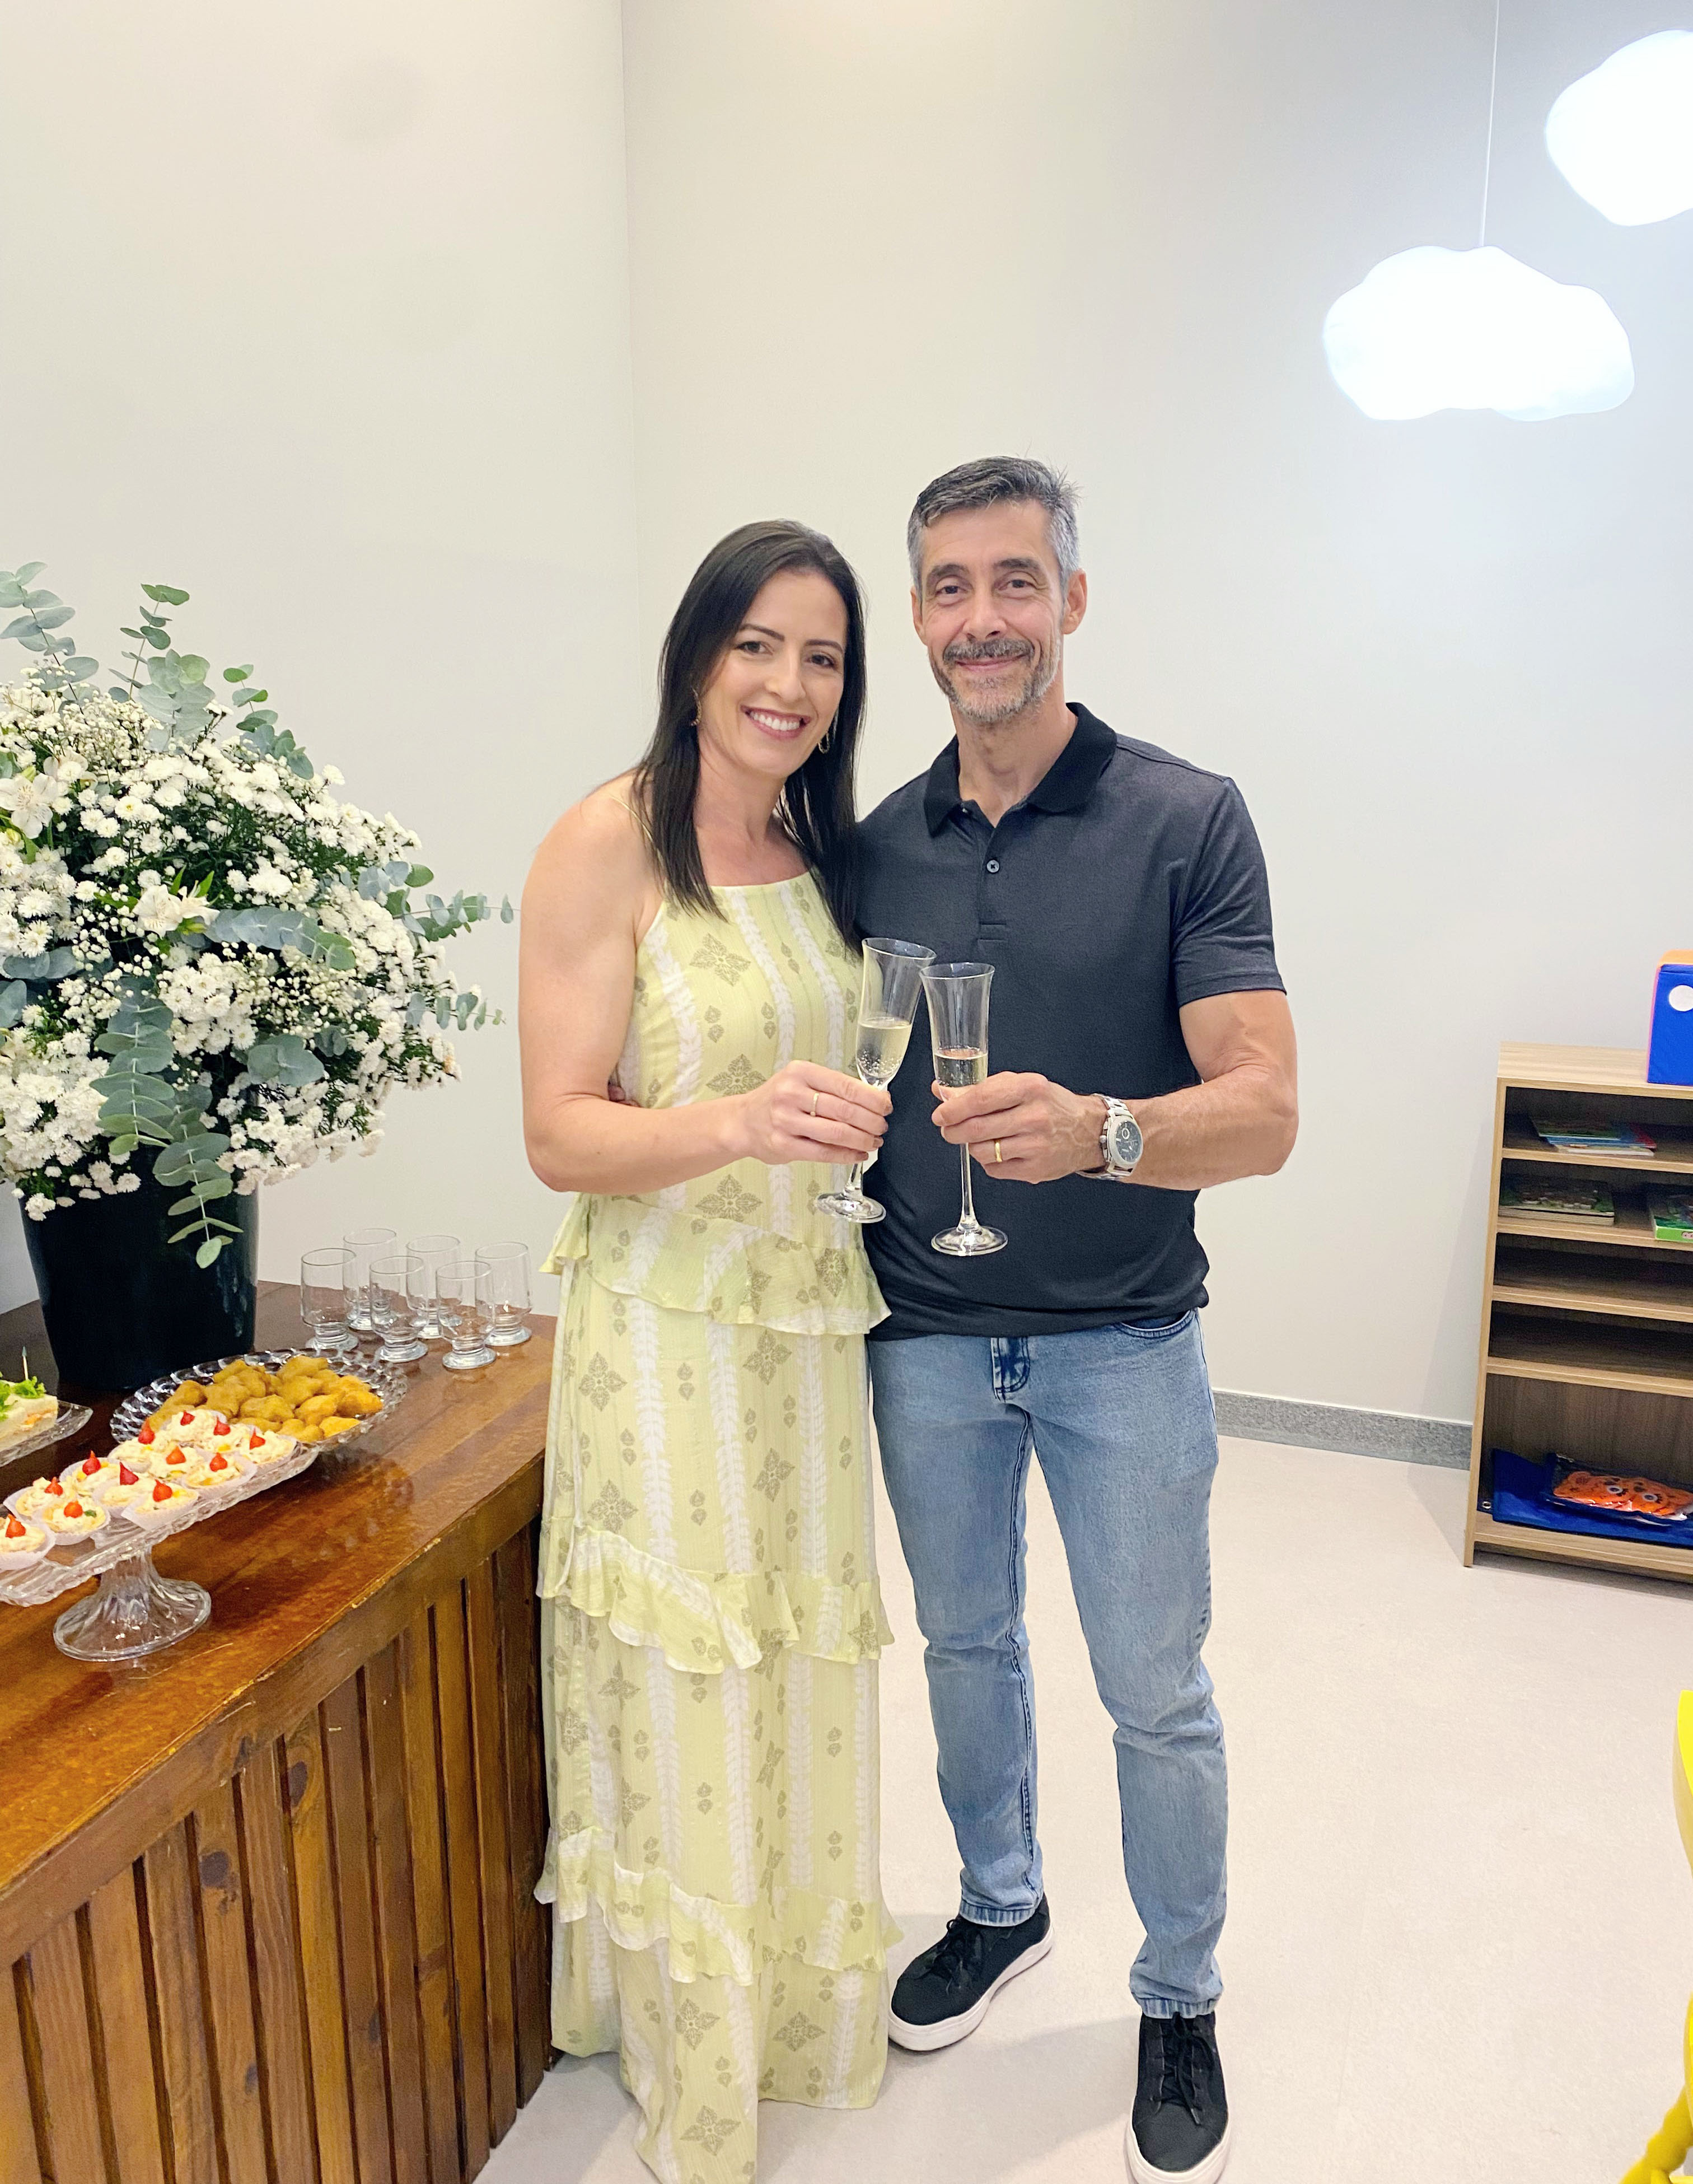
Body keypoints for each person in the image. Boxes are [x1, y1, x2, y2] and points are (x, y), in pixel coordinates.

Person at [857, 456, 1298, 2184]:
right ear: (920, 617)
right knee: (963, 1647)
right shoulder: (876, 840)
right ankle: (1001, 1901)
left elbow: (1266, 1111)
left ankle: (1179, 1993)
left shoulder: (1188, 818)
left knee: (1155, 1690)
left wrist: (1109, 1131)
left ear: (1073, 601)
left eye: (1015, 581)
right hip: (924, 1338)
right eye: (950, 587)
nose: (983, 619)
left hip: (1125, 1341)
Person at [520, 520, 900, 2182]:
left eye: (822, 658)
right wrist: (738, 1121)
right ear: (694, 659)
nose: (788, 685)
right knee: (687, 1679)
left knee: (795, 1661)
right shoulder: (606, 841)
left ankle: (793, 2008)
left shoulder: (816, 844)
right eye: (758, 645)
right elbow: (559, 1132)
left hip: (804, 1330)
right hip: (667, 1332)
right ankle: (691, 2047)